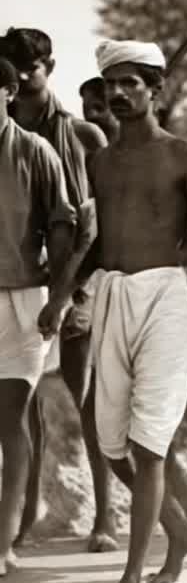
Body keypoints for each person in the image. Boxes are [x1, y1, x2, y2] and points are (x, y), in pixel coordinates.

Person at [84, 40, 187, 583]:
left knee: (148, 446)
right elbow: (97, 242)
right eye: (111, 85)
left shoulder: (184, 154)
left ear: (154, 89)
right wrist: (65, 293)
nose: (119, 94)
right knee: (110, 440)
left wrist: (173, 256)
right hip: (113, 295)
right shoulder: (102, 160)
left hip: (167, 297)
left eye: (131, 84)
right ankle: (177, 528)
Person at [2, 28, 107, 552]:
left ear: (50, 67)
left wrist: (66, 292)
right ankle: (26, 515)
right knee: (24, 408)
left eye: (32, 70)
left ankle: (105, 515)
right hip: (22, 283)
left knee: (85, 395)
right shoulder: (7, 127)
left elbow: (92, 225)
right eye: (13, 71)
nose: (22, 80)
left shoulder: (81, 136)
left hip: (77, 281)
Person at [0, 57, 81, 574]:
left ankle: (5, 540)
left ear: (7, 92)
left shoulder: (36, 151)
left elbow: (65, 227)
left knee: (8, 417)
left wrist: (59, 297)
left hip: (24, 298)